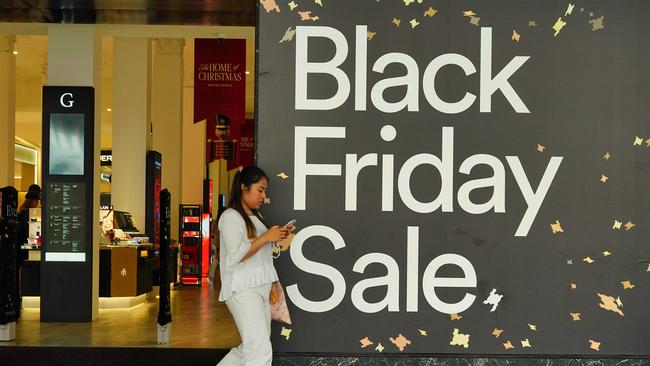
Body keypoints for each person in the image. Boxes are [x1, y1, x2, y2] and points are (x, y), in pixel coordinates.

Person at [217, 166, 288, 366]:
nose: (263, 196)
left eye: (264, 191)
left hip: (259, 290)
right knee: (259, 350)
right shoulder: (231, 217)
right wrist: (267, 237)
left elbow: (258, 254)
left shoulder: (255, 217)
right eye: (260, 189)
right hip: (243, 290)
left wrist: (272, 237)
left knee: (251, 348)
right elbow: (238, 253)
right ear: (243, 188)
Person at [16, 184, 41, 320]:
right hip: (23, 251)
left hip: (20, 250)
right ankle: (19, 300)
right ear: (32, 200)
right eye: (36, 201)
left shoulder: (21, 212)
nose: (37, 203)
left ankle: (19, 300)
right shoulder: (26, 215)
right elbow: (28, 235)